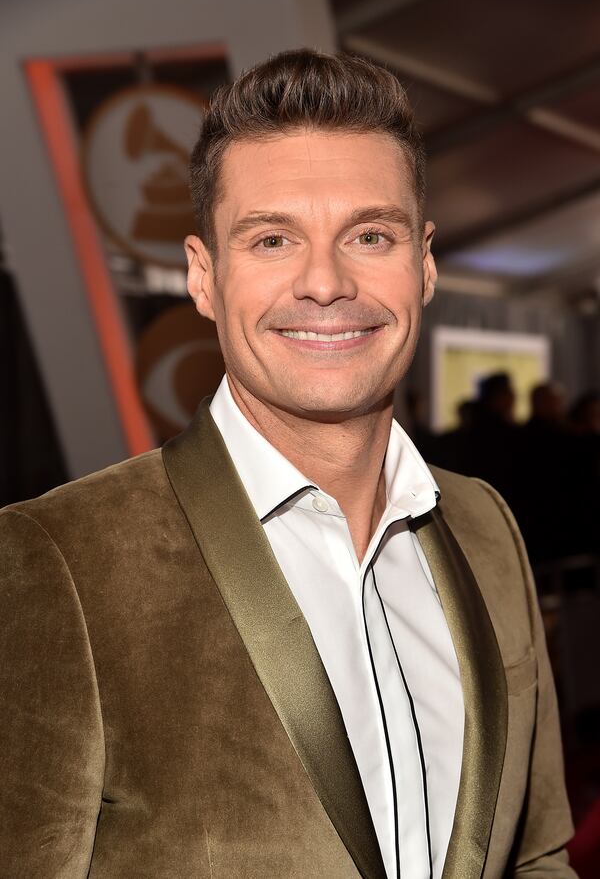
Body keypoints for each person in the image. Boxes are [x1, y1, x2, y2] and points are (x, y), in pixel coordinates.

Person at [0, 50, 576, 878]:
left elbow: (538, 853)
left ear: (424, 263)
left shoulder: (486, 526)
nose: (325, 283)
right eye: (273, 239)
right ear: (204, 275)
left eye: (369, 235)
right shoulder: (56, 561)